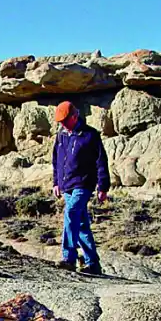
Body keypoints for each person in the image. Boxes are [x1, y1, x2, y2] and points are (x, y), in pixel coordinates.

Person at [51, 101, 109, 275]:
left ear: (74, 117)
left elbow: (101, 161)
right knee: (81, 224)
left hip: (83, 184)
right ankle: (93, 263)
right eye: (59, 122)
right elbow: (57, 161)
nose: (61, 124)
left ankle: (69, 258)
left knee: (71, 212)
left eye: (64, 120)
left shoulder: (90, 135)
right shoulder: (61, 136)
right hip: (66, 185)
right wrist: (56, 182)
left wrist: (103, 186)